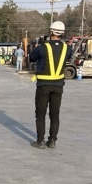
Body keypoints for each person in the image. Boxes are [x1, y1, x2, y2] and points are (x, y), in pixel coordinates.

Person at [28, 21, 71, 149]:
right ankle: (52, 141)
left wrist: (37, 46)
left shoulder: (43, 47)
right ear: (62, 33)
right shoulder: (67, 48)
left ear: (51, 32)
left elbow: (31, 58)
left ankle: (40, 141)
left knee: (40, 114)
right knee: (55, 114)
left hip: (43, 86)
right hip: (58, 86)